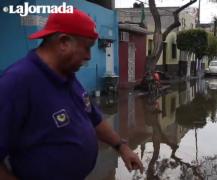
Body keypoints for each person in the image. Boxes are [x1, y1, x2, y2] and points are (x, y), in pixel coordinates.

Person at [0, 9, 143, 179]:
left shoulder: (68, 76)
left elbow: (94, 118)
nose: (89, 56)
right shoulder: (16, 83)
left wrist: (122, 147)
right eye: (87, 48)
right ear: (63, 42)